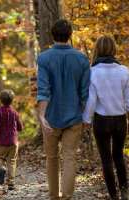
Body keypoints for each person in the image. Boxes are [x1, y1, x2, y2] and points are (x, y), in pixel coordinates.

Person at [37, 19, 90, 200]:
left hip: (51, 116)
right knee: (69, 158)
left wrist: (42, 116)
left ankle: (54, 196)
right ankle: (67, 196)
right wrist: (86, 117)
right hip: (74, 116)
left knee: (51, 158)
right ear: (70, 35)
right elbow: (85, 93)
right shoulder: (82, 59)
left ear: (53, 35)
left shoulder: (44, 58)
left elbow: (43, 90)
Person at [83, 36, 129, 200]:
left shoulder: (92, 72)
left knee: (106, 159)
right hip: (120, 120)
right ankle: (125, 192)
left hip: (102, 120)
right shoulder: (124, 70)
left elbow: (91, 101)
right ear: (114, 49)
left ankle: (114, 196)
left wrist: (86, 121)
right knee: (118, 156)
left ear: (97, 49)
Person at [0, 89, 23, 190]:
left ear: (1, 100)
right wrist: (19, 129)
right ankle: (11, 183)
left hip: (1, 141)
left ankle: (1, 168)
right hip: (13, 141)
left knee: (2, 158)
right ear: (12, 100)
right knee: (12, 161)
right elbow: (20, 127)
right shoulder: (15, 113)